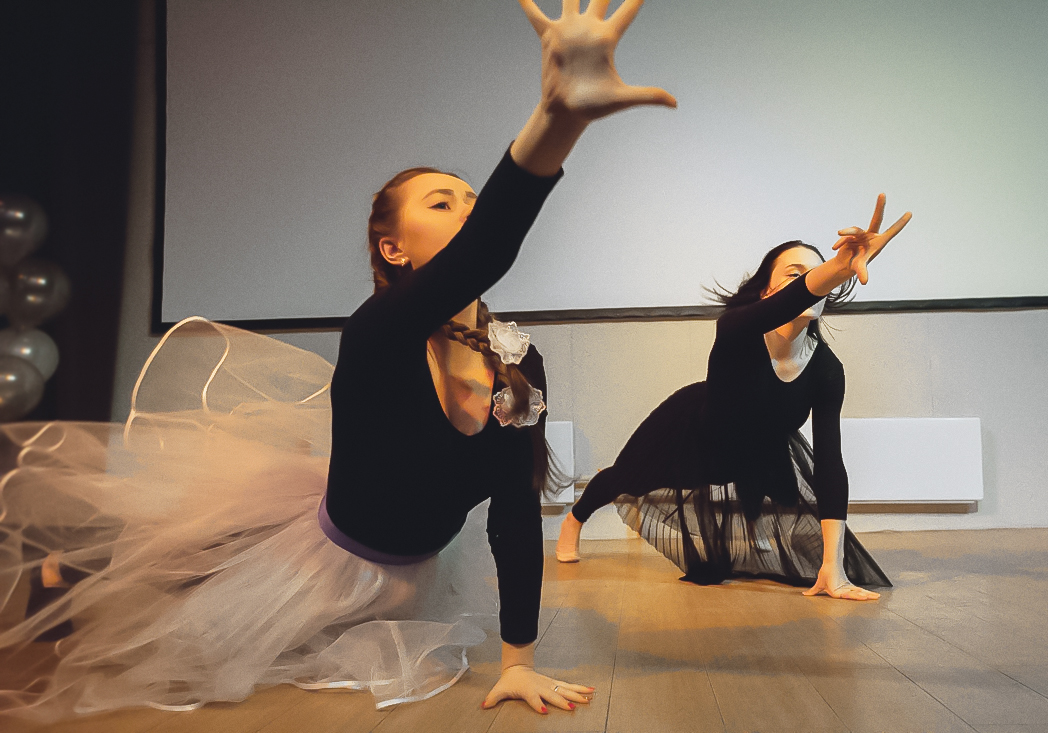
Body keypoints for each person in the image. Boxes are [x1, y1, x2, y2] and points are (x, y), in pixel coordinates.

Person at [0, 0, 675, 721]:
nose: (468, 211)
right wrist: (557, 118)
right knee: (173, 587)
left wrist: (519, 663)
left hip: (410, 575)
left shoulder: (517, 359)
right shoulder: (379, 333)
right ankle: (71, 568)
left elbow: (513, 508)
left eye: (473, 200)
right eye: (443, 203)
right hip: (314, 570)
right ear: (393, 248)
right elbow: (488, 247)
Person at [554, 197, 911, 601]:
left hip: (762, 443)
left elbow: (830, 462)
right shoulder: (737, 330)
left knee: (781, 492)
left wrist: (833, 567)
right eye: (796, 274)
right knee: (627, 478)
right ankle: (574, 520)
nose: (815, 284)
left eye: (820, 275)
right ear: (767, 291)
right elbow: (795, 297)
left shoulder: (827, 370)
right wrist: (837, 268)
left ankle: (757, 528)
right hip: (697, 431)